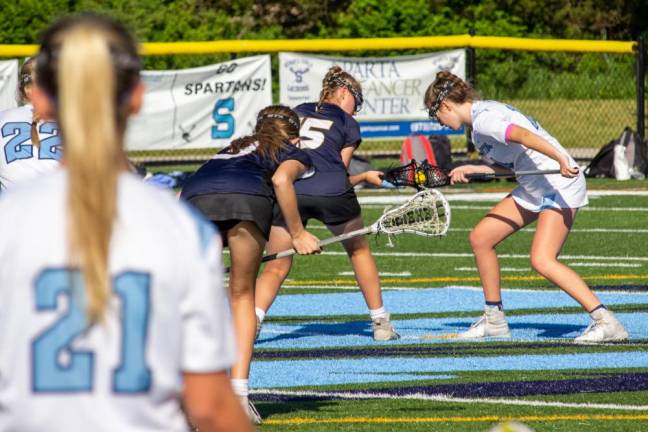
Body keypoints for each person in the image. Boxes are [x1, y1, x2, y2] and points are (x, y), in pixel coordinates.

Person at [0, 14, 252, 432]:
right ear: (136, 97)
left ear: (40, 101)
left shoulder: (10, 223)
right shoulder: (178, 227)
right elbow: (208, 406)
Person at [424, 71, 628, 343]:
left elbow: (523, 135)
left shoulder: (484, 119)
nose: (439, 122)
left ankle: (606, 321)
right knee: (481, 238)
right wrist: (474, 168)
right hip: (536, 185)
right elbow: (510, 164)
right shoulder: (478, 128)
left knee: (542, 259)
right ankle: (494, 320)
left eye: (435, 115)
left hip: (558, 182)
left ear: (446, 105)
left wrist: (560, 158)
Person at [180, 105, 321, 424]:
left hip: (193, 202)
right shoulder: (290, 150)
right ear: (296, 137)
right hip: (245, 200)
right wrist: (298, 234)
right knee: (242, 295)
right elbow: (282, 180)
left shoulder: (232, 146)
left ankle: (192, 393)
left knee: (200, 297)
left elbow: (192, 189)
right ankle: (239, 395)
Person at [254, 66, 400, 341]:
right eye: (357, 102)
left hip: (290, 189)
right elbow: (339, 172)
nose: (356, 110)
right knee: (358, 252)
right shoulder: (347, 123)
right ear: (344, 93)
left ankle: (253, 321)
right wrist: (364, 177)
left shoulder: (296, 110)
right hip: (331, 191)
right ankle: (381, 322)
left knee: (276, 264)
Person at [0, 57, 62, 190]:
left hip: (13, 207)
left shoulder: (3, 118)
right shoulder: (73, 121)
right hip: (60, 206)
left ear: (23, 90)